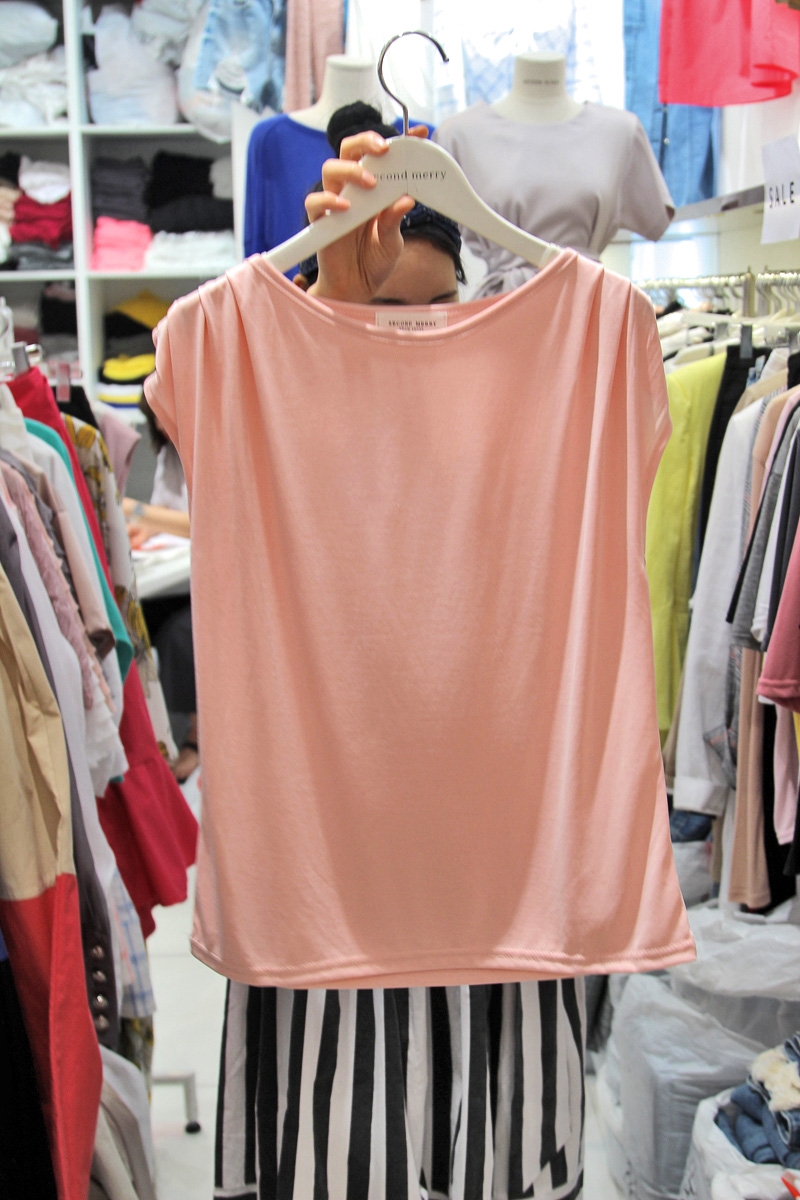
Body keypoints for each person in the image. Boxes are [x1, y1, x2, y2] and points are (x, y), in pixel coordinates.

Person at [213, 121, 587, 1200]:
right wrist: (329, 311)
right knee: (335, 1142)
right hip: (326, 864)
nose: (417, 337)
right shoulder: (276, 402)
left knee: (492, 1141)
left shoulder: (520, 412)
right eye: (387, 310)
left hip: (490, 860)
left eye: (440, 307)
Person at [123, 399, 198, 782]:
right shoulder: (169, 453)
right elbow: (168, 515)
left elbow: (200, 521)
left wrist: (138, 513)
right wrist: (146, 526)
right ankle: (146, 735)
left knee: (181, 632)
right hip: (177, 575)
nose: (160, 425)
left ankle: (196, 738)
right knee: (131, 621)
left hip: (205, 581)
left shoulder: (204, 448)